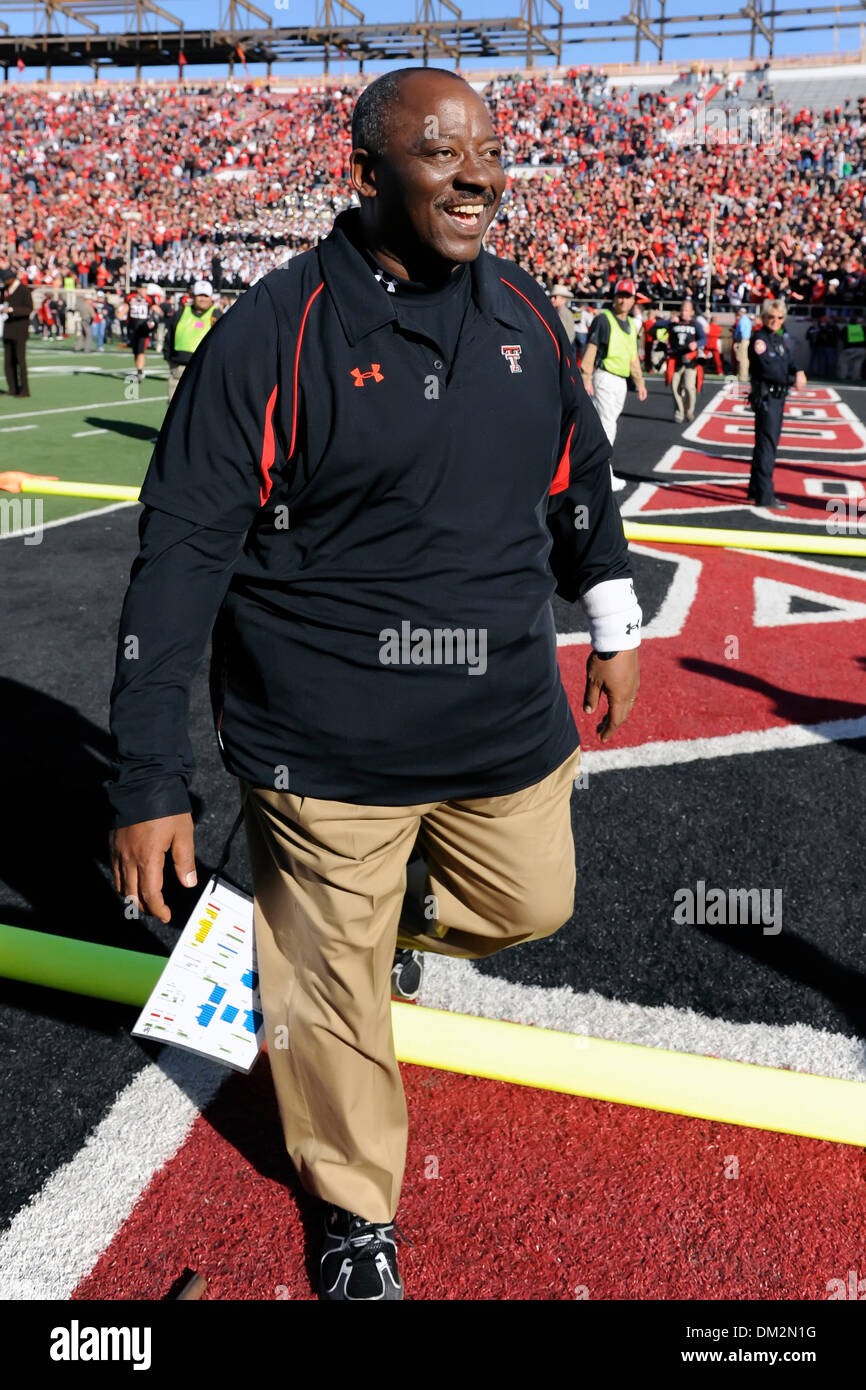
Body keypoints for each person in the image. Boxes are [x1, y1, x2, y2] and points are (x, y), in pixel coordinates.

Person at [107, 67, 642, 1303]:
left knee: (531, 905)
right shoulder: (270, 333)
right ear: (363, 173)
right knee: (329, 996)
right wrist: (146, 774)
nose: (479, 175)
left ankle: (370, 923)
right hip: (326, 745)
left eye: (492, 152)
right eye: (442, 152)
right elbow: (180, 558)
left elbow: (578, 474)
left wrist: (610, 616)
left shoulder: (524, 309)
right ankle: (353, 1207)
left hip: (504, 722)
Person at [579, 278, 648, 491]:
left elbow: (633, 357)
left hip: (620, 380)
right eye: (621, 296)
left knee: (609, 424)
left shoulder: (630, 325)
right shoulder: (604, 319)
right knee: (607, 426)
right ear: (615, 297)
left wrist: (640, 382)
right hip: (605, 377)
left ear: (633, 300)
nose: (623, 300)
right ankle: (602, 473)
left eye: (628, 297)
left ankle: (597, 470)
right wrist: (586, 377)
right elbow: (591, 349)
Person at [746, 299, 807, 509]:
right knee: (767, 445)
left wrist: (798, 370)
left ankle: (755, 489)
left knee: (765, 443)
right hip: (766, 397)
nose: (775, 321)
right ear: (764, 318)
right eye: (771, 317)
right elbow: (768, 370)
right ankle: (765, 495)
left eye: (779, 317)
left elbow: (788, 361)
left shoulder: (778, 339)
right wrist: (793, 380)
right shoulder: (760, 340)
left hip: (777, 398)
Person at [161, 280, 222, 402]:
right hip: (179, 366)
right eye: (200, 295)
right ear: (193, 296)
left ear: (211, 297)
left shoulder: (217, 315)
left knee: (200, 405)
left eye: (205, 296)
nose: (202, 299)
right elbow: (169, 336)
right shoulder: (181, 313)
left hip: (205, 368)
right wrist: (169, 358)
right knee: (174, 405)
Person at [655, 299, 706, 422]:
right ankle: (679, 413)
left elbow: (704, 339)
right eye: (682, 309)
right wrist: (669, 321)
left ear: (692, 312)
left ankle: (689, 410)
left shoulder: (695, 324)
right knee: (675, 387)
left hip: (690, 360)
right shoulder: (674, 322)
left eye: (686, 310)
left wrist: (696, 344)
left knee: (689, 387)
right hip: (675, 359)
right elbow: (655, 325)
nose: (683, 312)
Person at [1, 266, 33, 398]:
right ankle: (12, 388)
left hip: (19, 330)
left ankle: (24, 390)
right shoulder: (4, 290)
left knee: (20, 360)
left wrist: (12, 310)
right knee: (8, 362)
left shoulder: (23, 290)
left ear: (11, 279)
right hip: (7, 329)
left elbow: (28, 309)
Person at [549, 282, 576, 355]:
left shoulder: (563, 313)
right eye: (552, 297)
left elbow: (565, 333)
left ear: (563, 299)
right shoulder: (558, 311)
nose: (552, 299)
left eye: (555, 297)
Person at [837, 316, 865, 383]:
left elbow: (840, 337)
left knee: (843, 362)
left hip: (849, 349)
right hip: (862, 349)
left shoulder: (847, 328)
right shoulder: (862, 328)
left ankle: (843, 377)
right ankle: (855, 378)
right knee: (858, 364)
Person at [733, 307, 752, 384]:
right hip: (745, 340)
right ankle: (742, 375)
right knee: (744, 359)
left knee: (741, 359)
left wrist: (737, 342)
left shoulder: (743, 320)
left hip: (742, 340)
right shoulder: (747, 320)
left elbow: (741, 331)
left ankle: (742, 376)